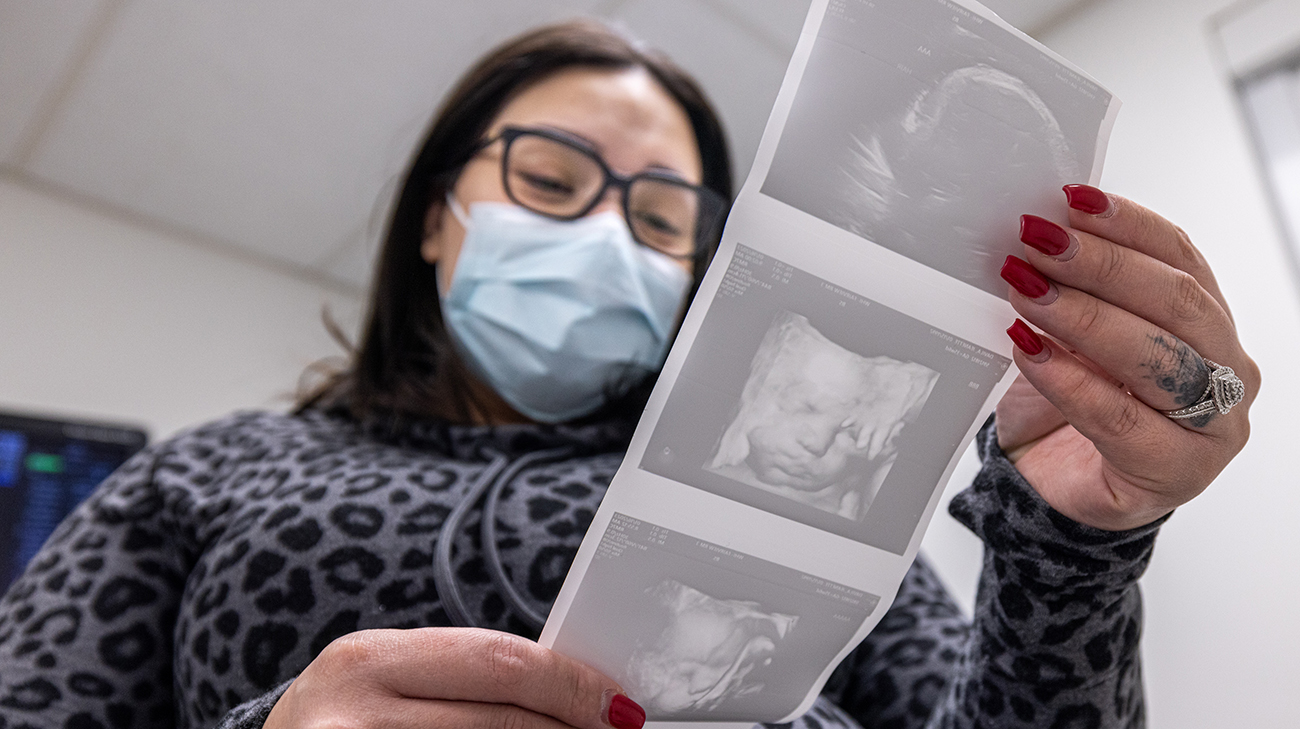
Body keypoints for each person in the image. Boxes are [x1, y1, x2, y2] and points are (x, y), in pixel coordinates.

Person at [0, 19, 1256, 729]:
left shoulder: (812, 511)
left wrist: (1072, 552)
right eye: (550, 181)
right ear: (436, 216)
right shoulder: (209, 470)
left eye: (660, 216)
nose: (606, 234)